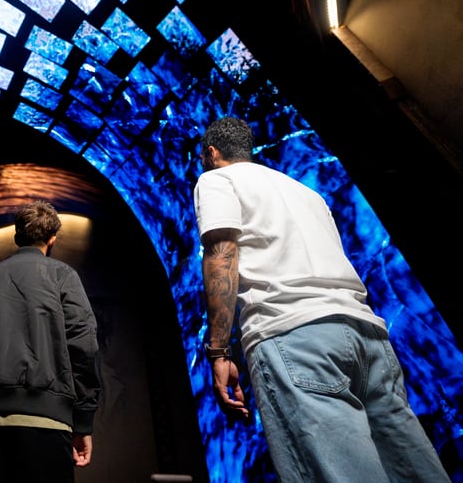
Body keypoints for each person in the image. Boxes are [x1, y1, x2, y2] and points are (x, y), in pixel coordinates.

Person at [193, 116, 450, 482]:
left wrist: (219, 351)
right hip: (367, 336)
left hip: (294, 338)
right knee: (415, 471)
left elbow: (221, 255)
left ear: (211, 153)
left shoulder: (216, 180)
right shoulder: (307, 193)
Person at [0, 199, 101, 483]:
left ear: (17, 237)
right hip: (48, 425)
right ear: (53, 238)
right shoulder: (63, 276)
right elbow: (84, 345)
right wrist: (83, 421)